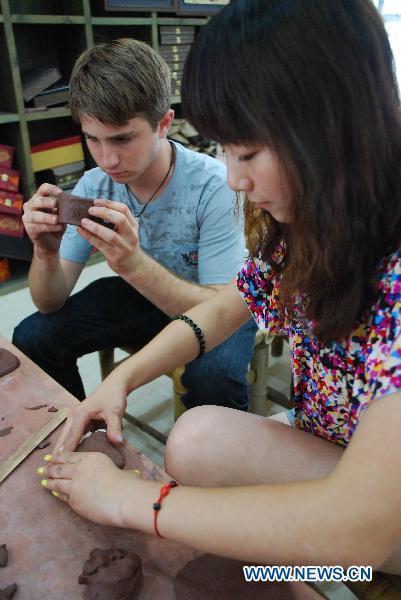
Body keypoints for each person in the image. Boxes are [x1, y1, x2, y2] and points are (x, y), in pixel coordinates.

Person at [37, 0, 401, 573]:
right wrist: (124, 380)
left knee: (300, 553)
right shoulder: (304, 224)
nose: (235, 176)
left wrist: (140, 503)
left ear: (332, 127)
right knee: (195, 437)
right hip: (329, 438)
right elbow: (228, 306)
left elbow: (368, 528)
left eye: (249, 152)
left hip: (384, 506)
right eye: (225, 150)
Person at [13, 38, 256, 412]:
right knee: (33, 335)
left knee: (214, 380)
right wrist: (45, 252)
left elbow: (219, 308)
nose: (108, 158)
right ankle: (83, 434)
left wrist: (132, 264)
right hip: (140, 294)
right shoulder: (93, 185)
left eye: (123, 138)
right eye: (92, 139)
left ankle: (204, 466)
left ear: (163, 124)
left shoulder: (215, 186)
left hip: (215, 302)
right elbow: (49, 303)